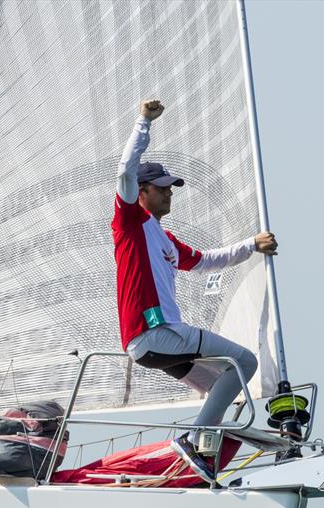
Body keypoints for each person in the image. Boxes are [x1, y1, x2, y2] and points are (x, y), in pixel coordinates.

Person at [111, 99, 278, 482]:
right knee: (245, 363)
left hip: (158, 345)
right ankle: (195, 440)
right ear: (142, 190)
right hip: (156, 333)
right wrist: (144, 122)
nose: (171, 194)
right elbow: (124, 169)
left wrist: (251, 245)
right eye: (164, 188)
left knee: (223, 383)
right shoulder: (130, 222)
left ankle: (206, 448)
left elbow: (205, 261)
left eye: (173, 189)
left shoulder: (165, 239)